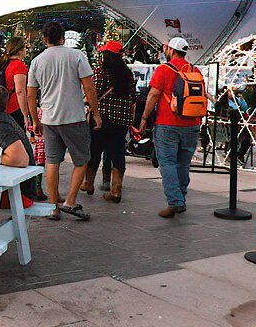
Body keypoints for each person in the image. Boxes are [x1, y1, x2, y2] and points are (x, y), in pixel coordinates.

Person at [24, 22, 100, 221]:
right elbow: (89, 88)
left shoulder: (37, 61)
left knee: (52, 161)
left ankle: (52, 206)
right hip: (74, 117)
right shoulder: (76, 56)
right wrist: (96, 113)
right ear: (63, 37)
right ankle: (70, 201)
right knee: (82, 160)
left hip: (49, 119)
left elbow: (31, 94)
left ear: (44, 39)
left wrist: (34, 119)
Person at [140, 37, 209, 218]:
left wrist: (144, 118)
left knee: (167, 163)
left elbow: (153, 95)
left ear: (170, 50)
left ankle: (175, 202)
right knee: (183, 163)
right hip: (192, 124)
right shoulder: (195, 71)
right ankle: (181, 198)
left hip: (167, 124)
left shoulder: (164, 69)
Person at [84, 41, 136, 202]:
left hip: (102, 119)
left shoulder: (101, 72)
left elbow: (94, 93)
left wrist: (89, 105)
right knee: (117, 154)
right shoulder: (128, 74)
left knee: (94, 151)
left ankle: (88, 183)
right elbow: (132, 97)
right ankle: (116, 190)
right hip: (121, 121)